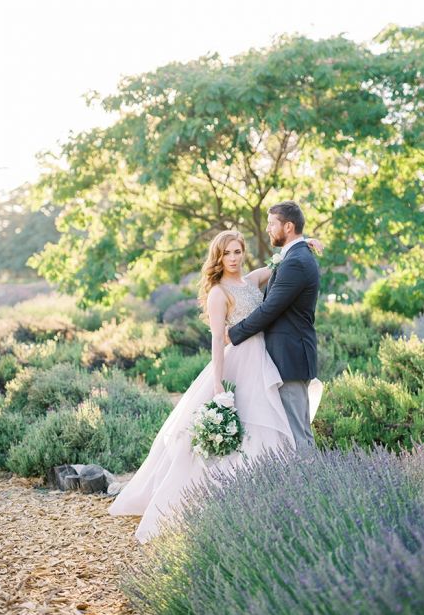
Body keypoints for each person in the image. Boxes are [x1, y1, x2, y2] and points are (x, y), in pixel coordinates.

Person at [108, 225, 323, 543]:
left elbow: (280, 262)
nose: (234, 258)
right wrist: (219, 383)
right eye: (227, 253)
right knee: (242, 429)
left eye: (238, 252)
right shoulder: (218, 293)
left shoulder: (250, 281)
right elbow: (216, 342)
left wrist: (305, 242)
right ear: (217, 257)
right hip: (238, 361)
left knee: (267, 426)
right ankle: (209, 504)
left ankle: (264, 501)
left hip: (264, 360)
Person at [228, 201, 320, 450]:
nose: (268, 229)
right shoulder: (294, 256)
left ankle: (313, 486)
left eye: (272, 224)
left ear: (288, 227)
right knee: (293, 433)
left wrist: (233, 334)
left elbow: (270, 309)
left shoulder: (296, 262)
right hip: (285, 355)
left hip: (290, 356)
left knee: (297, 434)